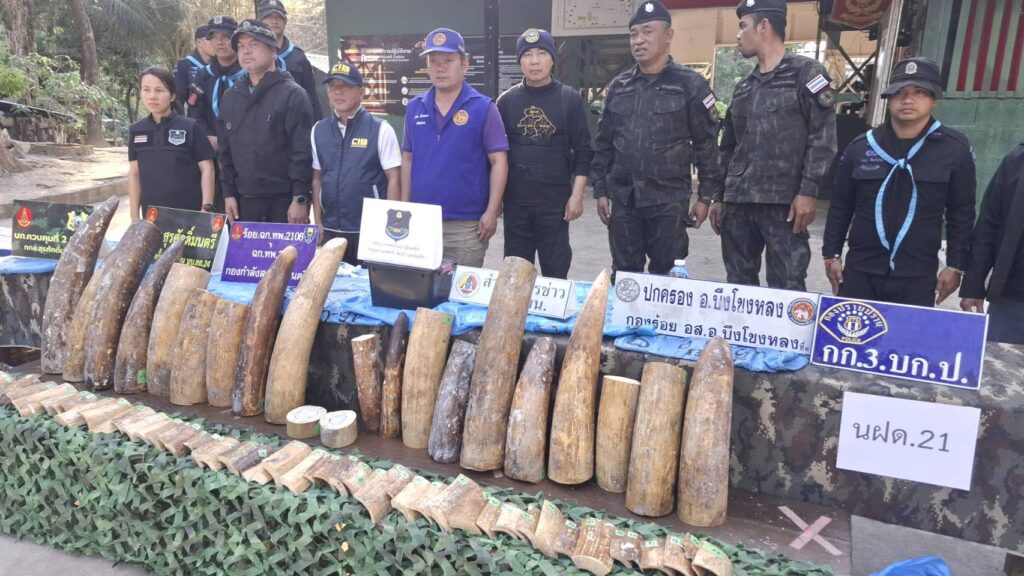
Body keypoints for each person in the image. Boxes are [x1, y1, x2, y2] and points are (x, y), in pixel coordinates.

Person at [822, 57, 975, 307]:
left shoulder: (955, 150)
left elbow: (962, 213)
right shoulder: (861, 147)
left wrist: (955, 265)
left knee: (910, 333)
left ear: (934, 99)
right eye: (900, 92)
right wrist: (832, 253)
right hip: (861, 269)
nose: (908, 100)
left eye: (919, 92)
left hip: (917, 273)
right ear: (889, 98)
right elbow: (840, 206)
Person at [707, 0, 837, 290]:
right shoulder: (744, 86)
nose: (738, 35)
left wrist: (808, 191)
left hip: (784, 204)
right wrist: (718, 196)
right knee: (738, 285)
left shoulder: (806, 74)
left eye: (743, 26)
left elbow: (823, 139)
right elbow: (727, 147)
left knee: (787, 286)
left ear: (763, 26)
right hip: (739, 203)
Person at [590, 1, 723, 276]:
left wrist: (706, 197)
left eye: (647, 31)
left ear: (668, 35)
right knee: (625, 275)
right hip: (625, 200)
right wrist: (600, 190)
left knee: (667, 276)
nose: (638, 40)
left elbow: (707, 146)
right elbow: (604, 144)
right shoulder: (619, 87)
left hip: (668, 201)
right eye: (634, 34)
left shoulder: (691, 85)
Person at [401, 27, 509, 267]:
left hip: (466, 226)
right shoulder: (415, 108)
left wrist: (492, 211)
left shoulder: (483, 108)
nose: (440, 68)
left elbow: (499, 161)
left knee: (462, 289)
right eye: (433, 61)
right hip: (421, 222)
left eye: (448, 61)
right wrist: (405, 208)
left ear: (465, 65)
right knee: (420, 287)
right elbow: (407, 159)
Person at [496, 28, 593, 279]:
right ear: (520, 61)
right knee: (515, 276)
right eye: (527, 55)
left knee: (556, 273)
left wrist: (577, 196)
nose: (535, 61)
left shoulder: (569, 99)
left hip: (554, 204)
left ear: (552, 59)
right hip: (516, 204)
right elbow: (496, 157)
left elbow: (583, 151)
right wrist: (494, 201)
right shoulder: (506, 102)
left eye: (541, 53)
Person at [218, 19, 314, 224]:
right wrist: (228, 194)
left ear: (273, 50)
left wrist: (300, 198)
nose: (246, 51)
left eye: (254, 44)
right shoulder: (230, 96)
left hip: (284, 204)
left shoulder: (293, 95)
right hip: (243, 203)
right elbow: (225, 152)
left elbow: (302, 152)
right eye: (241, 46)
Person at [312, 61, 402, 265]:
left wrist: (391, 226)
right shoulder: (318, 130)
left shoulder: (380, 129)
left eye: (345, 86)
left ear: (361, 92)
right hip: (331, 231)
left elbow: (394, 179)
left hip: (370, 232)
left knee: (368, 284)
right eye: (333, 87)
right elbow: (317, 179)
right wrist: (318, 222)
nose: (338, 92)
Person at [127, 68, 216, 220]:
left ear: (172, 95)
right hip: (152, 217)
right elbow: (135, 174)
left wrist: (206, 209)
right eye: (146, 90)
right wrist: (134, 217)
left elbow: (207, 168)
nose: (152, 96)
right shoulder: (136, 130)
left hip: (189, 215)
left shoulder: (191, 127)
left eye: (159, 90)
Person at [960, 142, 1024, 344]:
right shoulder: (1017, 160)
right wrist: (973, 285)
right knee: (1000, 361)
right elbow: (989, 225)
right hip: (1012, 300)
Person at [256, 0, 322, 119]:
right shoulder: (251, 56)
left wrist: (316, 124)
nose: (274, 21)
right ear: (259, 22)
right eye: (269, 17)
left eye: (279, 17)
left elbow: (311, 96)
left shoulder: (298, 57)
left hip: (296, 120)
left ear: (285, 22)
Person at [188, 15, 243, 144]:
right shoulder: (203, 75)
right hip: (212, 144)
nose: (219, 42)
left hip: (245, 144)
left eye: (226, 36)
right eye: (214, 37)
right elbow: (195, 111)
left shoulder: (249, 73)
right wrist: (208, 136)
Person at [173, 25, 212, 113]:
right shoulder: (184, 65)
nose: (215, 43)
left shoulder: (220, 65)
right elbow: (178, 99)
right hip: (195, 118)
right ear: (199, 42)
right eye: (210, 39)